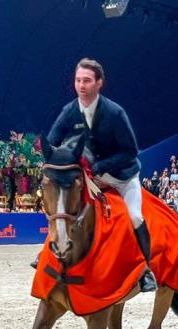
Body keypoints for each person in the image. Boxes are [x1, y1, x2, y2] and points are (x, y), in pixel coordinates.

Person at [41, 57, 156, 292]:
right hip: (89, 178)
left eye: (87, 80)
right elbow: (52, 142)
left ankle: (146, 270)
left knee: (134, 217)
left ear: (99, 83)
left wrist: (99, 166)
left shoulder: (115, 113)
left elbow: (130, 151)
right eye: (77, 80)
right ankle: (49, 255)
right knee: (64, 208)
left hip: (121, 176)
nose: (81, 85)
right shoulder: (69, 111)